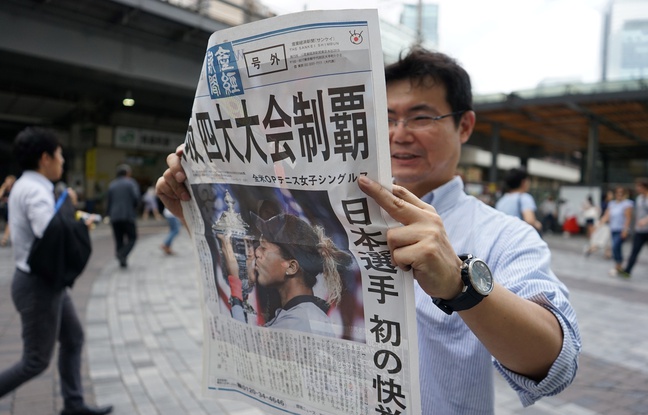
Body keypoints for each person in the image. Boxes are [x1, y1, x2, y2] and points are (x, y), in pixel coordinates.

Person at [155, 48, 581, 414]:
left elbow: (556, 366)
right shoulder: (328, 217)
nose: (399, 134)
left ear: (464, 126)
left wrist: (460, 283)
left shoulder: (502, 234)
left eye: (421, 117)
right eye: (385, 118)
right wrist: (197, 212)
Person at [0, 127, 113, 415]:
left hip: (43, 282)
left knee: (73, 338)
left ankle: (73, 404)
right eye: (60, 155)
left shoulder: (26, 185)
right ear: (45, 158)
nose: (63, 162)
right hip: (38, 285)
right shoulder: (36, 191)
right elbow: (51, 234)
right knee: (35, 361)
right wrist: (74, 216)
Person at [218, 213, 351, 337]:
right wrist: (245, 288)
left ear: (291, 267)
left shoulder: (298, 322)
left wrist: (236, 283)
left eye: (263, 248)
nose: (256, 253)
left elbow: (244, 353)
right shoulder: (300, 314)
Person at [106, 164, 140, 268]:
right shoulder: (131, 183)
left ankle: (122, 261)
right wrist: (134, 208)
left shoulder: (112, 185)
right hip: (128, 215)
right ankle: (122, 254)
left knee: (119, 239)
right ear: (127, 173)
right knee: (132, 237)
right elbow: (136, 198)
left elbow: (108, 202)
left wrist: (108, 215)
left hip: (114, 217)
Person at [598, 186, 633, 276]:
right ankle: (618, 266)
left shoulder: (627, 204)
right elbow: (607, 215)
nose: (619, 194)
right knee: (615, 248)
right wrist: (600, 222)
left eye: (621, 192)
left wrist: (625, 229)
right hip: (613, 229)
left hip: (621, 229)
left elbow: (628, 218)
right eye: (618, 192)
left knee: (615, 246)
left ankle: (618, 265)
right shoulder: (612, 204)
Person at [495, 167, 543, 233]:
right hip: (518, 237)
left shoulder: (502, 200)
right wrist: (537, 224)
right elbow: (530, 220)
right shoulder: (525, 197)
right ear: (523, 182)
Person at [620, 178, 648, 278]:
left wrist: (645, 220)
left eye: (639, 186)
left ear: (644, 187)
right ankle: (627, 271)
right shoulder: (639, 198)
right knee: (634, 251)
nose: (637, 188)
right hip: (640, 231)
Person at [0, 174, 16, 246]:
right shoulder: (4, 189)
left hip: (12, 209)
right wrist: (3, 188)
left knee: (9, 222)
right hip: (4, 208)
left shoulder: (15, 189)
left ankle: (5, 239)